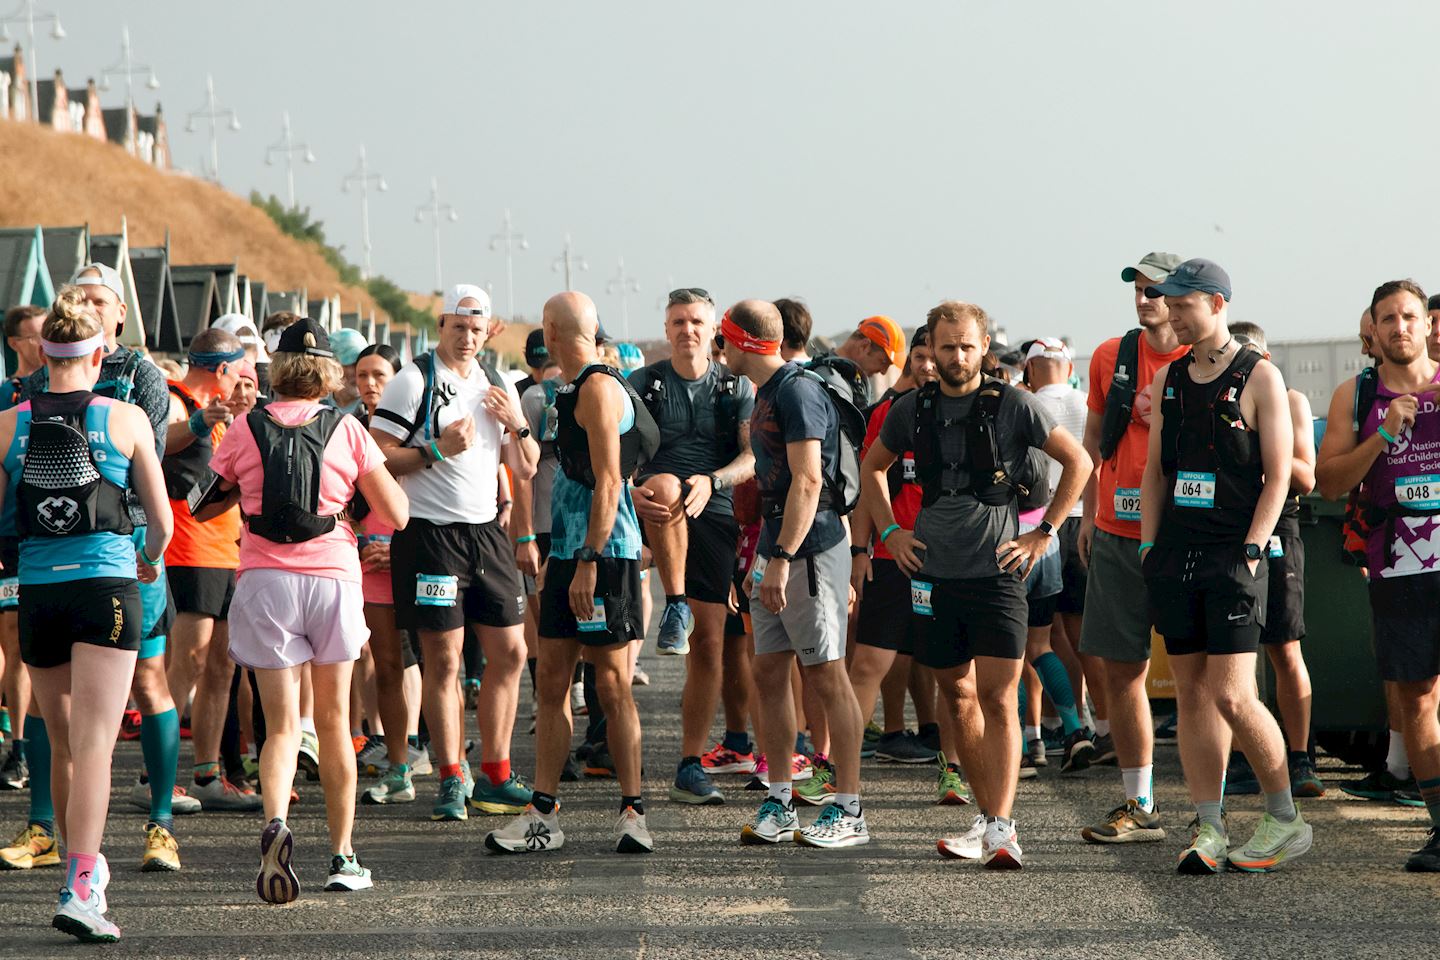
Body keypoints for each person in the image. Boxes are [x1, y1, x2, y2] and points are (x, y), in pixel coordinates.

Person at [862, 300, 1090, 869]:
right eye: (946, 347)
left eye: (967, 346)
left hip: (1000, 573)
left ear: (983, 348)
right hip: (934, 573)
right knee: (957, 695)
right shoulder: (912, 408)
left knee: (998, 696)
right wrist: (890, 532)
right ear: (931, 351)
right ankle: (986, 821)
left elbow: (1079, 463)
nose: (957, 356)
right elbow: (871, 469)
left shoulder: (1015, 404)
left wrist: (1044, 536)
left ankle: (1004, 827)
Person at [203, 317, 408, 900]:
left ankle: (277, 824)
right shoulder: (347, 429)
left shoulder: (246, 426)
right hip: (333, 579)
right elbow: (396, 514)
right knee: (335, 724)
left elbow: (202, 504)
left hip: (265, 577)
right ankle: (343, 857)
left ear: (278, 368)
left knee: (282, 725)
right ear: (328, 372)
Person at [2, 264, 188, 881]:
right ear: (98, 347)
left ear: (42, 348)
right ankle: (84, 883)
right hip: (111, 578)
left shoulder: (10, 419)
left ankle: (60, 842)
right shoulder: (124, 416)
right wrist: (149, 557)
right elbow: (159, 519)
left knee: (62, 739)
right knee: (96, 745)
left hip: (37, 590)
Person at [1139, 258, 1310, 875]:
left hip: (1235, 555)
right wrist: (1147, 547)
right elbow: (1154, 472)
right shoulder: (1169, 380)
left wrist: (1251, 548)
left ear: (1214, 303)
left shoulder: (1260, 375)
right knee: (1191, 693)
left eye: (1181, 304)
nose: (1170, 313)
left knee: (1234, 694)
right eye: (1167, 303)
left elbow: (1280, 476)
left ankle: (1285, 817)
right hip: (1175, 555)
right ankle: (1208, 825)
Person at [484, 291, 654, 855]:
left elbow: (610, 481)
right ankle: (544, 813)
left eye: (543, 326)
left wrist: (587, 559)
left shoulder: (601, 388)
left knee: (612, 684)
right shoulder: (568, 388)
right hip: (566, 555)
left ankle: (633, 813)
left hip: (602, 556)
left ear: (552, 331)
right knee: (551, 682)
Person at [370, 284, 538, 822]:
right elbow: (376, 457)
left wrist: (517, 421)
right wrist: (438, 449)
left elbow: (528, 463)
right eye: (457, 327)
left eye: (476, 328)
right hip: (431, 536)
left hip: (487, 533)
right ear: (441, 326)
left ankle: (496, 772)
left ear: (489, 331)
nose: (467, 338)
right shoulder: (413, 379)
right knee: (443, 659)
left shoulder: (499, 381)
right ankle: (449, 775)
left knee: (511, 653)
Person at [714, 300, 869, 850]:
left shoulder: (797, 390)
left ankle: (848, 808)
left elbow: (807, 482)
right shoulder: (765, 392)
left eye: (722, 337)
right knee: (770, 673)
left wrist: (779, 559)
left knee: (826, 675)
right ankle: (780, 798)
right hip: (776, 546)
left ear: (743, 342)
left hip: (807, 549)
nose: (718, 347)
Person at [1316, 279, 1440, 871]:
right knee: (1415, 698)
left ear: (1425, 324)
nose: (1400, 328)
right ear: (1374, 328)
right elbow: (1329, 482)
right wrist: (1384, 433)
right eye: (1388, 318)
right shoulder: (1357, 393)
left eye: (1409, 316)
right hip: (1398, 561)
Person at [1077, 252, 1189, 845]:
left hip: (1188, 538)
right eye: (1139, 290)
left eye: (1157, 290)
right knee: (1122, 672)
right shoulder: (1109, 357)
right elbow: (1094, 442)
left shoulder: (1209, 360)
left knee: (1202, 678)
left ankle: (1209, 810)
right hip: (1119, 533)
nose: (1145, 299)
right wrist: (1091, 514)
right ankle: (1139, 804)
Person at [628, 287, 756, 805]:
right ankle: (674, 601)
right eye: (678, 321)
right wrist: (629, 491)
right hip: (655, 507)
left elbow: (752, 459)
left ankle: (689, 760)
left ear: (712, 329)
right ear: (666, 329)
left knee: (710, 645)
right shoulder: (645, 383)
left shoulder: (736, 387)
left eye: (696, 321)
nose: (687, 330)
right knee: (662, 484)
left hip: (716, 510)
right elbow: (617, 454)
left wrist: (716, 481)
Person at [849, 328, 966, 795]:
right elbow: (866, 483)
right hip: (889, 556)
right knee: (866, 667)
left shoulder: (973, 409)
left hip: (953, 562)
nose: (928, 365)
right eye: (920, 356)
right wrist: (862, 549)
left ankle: (954, 772)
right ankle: (838, 774)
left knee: (956, 676)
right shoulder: (889, 413)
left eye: (934, 355)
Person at [160, 327, 259, 813]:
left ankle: (207, 775)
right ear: (221, 369)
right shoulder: (180, 402)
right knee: (189, 662)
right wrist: (200, 423)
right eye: (237, 372)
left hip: (226, 551)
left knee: (222, 665)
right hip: (188, 550)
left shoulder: (224, 415)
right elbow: (161, 442)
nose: (241, 382)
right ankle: (152, 776)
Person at [1222, 322, 1322, 799]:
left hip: (1279, 527)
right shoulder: (1216, 400)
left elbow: (1306, 477)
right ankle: (1245, 757)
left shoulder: (1290, 398)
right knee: (1234, 653)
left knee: (1284, 646)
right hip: (1227, 530)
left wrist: (1268, 449)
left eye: (1254, 359)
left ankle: (1300, 757)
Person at [354, 344, 432, 804]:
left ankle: (432, 756)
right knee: (385, 661)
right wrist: (364, 543)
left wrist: (398, 547)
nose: (370, 384)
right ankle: (398, 761)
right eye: (362, 375)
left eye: (379, 375)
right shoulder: (344, 425)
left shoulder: (416, 429)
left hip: (417, 551)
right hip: (366, 559)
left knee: (432, 658)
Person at [1015, 337, 1096, 774]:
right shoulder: (1084, 402)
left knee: (1012, 649)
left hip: (1024, 532)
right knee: (1067, 641)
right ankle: (1083, 728)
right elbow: (1095, 460)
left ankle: (1030, 742)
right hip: (1078, 521)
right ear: (1068, 365)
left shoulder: (1020, 405)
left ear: (1029, 370)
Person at [0, 304, 43, 794]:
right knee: (8, 644)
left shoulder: (71, 396)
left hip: (38, 537)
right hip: (7, 532)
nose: (43, 346)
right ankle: (16, 743)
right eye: (34, 337)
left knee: (21, 644)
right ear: (15, 343)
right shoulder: (4, 399)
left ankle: (25, 750)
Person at [808, 315, 904, 410]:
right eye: (883, 362)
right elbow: (853, 423)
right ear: (864, 346)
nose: (883, 371)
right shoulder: (828, 379)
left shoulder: (852, 379)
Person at [324, 328, 369, 415]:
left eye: (363, 365)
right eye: (353, 364)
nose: (359, 372)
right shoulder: (316, 407)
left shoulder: (373, 409)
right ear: (333, 366)